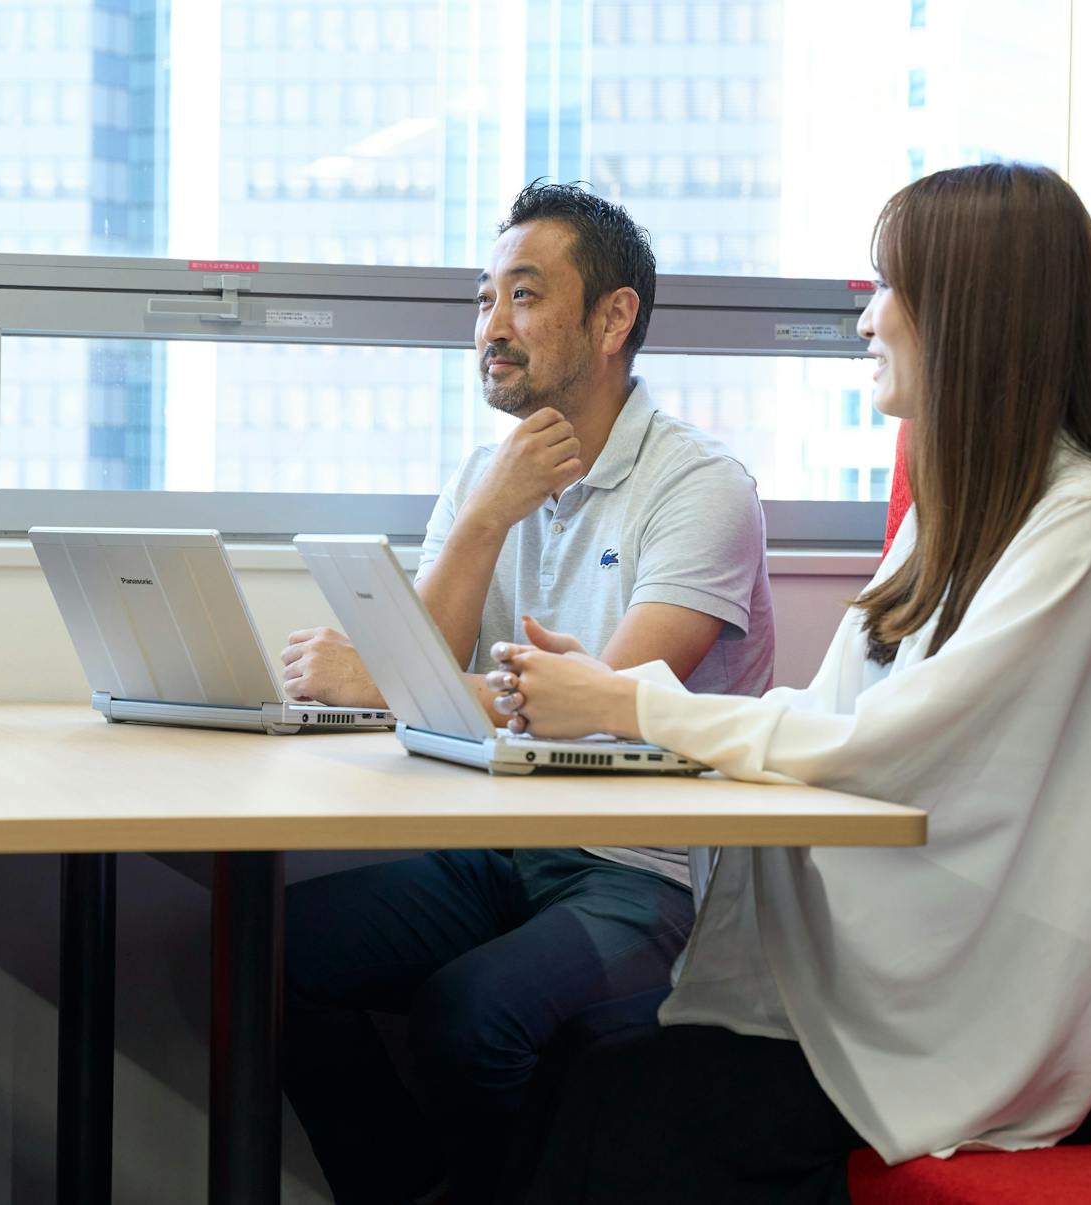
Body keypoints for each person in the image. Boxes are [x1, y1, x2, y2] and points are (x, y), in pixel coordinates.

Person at [490, 162, 1091, 1204]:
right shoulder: (957, 509)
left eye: (891, 288)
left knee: (640, 1111)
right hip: (945, 953)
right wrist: (631, 706)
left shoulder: (1090, 526)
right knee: (595, 1067)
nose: (867, 319)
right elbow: (832, 714)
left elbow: (891, 746)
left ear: (974, 317)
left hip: (1032, 994)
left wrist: (632, 704)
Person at [277, 181, 775, 1204]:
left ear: (613, 318)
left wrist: (387, 681)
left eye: (525, 295)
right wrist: (487, 515)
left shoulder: (702, 486)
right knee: (264, 955)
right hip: (508, 848)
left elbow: (598, 712)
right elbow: (420, 673)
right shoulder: (487, 474)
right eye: (484, 299)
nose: (491, 327)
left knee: (469, 1018)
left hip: (650, 872)